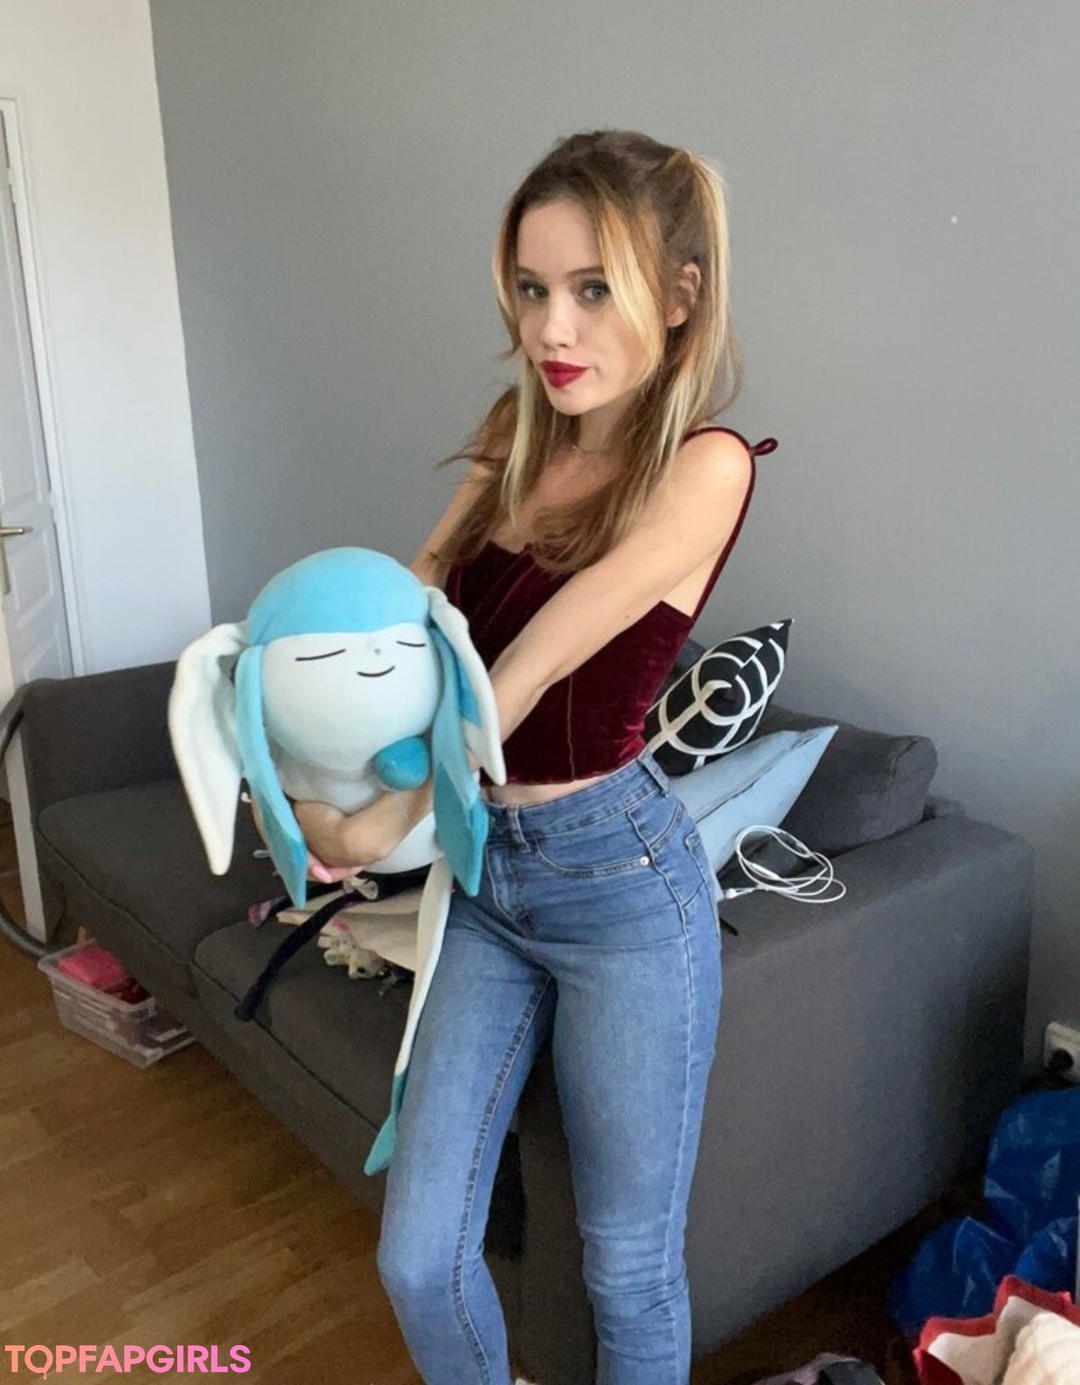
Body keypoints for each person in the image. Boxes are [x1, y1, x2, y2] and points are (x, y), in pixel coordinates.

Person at [293, 129, 777, 1385]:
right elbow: (410, 618)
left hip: (621, 886)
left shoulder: (708, 464)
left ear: (680, 294)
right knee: (418, 1256)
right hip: (488, 875)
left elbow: (523, 668)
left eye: (594, 288)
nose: (552, 327)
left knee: (629, 1268)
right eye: (531, 287)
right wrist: (299, 721)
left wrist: (378, 825)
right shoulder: (519, 425)